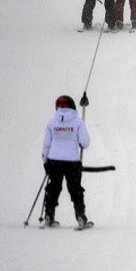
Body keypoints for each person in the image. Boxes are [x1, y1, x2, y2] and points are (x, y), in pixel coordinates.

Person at [41, 95, 91, 228]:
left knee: (53, 188)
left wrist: (45, 161)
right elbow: (85, 143)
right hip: (72, 161)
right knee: (75, 189)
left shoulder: (52, 123)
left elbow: (46, 145)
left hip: (54, 160)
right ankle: (80, 216)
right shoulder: (78, 122)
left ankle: (49, 215)